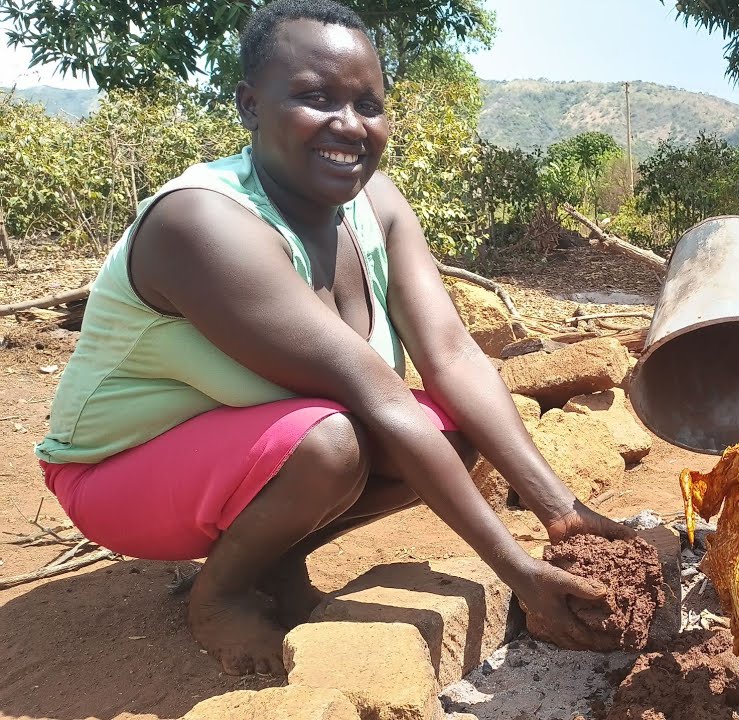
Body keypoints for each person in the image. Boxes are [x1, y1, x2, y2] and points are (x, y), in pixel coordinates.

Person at [34, 0, 631, 675]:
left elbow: (454, 355)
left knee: (451, 433)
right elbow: (372, 392)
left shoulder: (378, 205)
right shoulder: (202, 223)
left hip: (250, 459)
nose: (349, 125)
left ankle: (274, 556)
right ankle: (220, 595)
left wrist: (562, 513)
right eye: (315, 98)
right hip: (118, 476)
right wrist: (519, 571)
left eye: (368, 104)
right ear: (250, 104)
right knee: (333, 441)